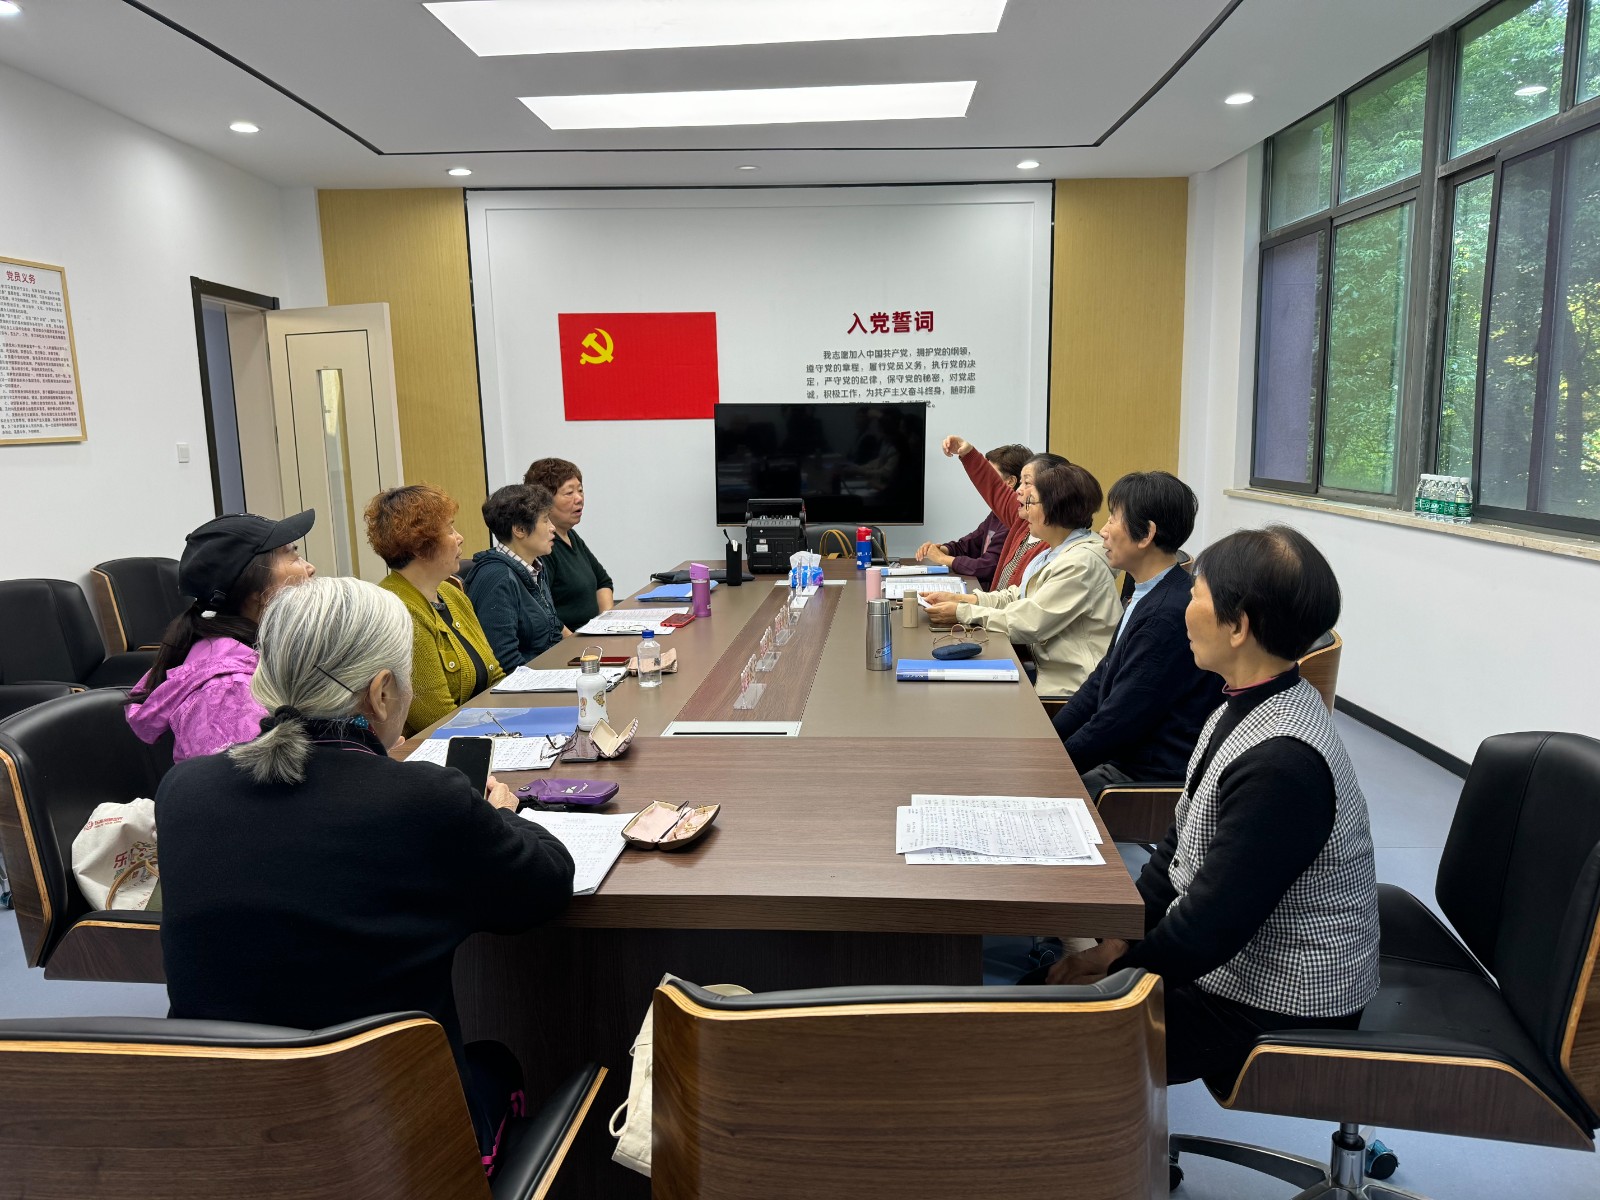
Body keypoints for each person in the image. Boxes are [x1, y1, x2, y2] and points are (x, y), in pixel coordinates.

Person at [156, 575, 574, 1176]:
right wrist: (498, 812)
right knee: (497, 1064)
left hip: (228, 1137)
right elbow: (547, 886)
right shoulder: (425, 800)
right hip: (391, 1149)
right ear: (381, 692)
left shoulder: (183, 792)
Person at [1047, 526, 1379, 1089]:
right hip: (1228, 963)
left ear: (1238, 625)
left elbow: (1208, 929)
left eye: (1195, 596)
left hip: (1275, 1002)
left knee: (1035, 1033)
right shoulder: (1245, 701)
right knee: (1040, 994)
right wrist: (1114, 945)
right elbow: (1175, 855)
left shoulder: (1282, 763)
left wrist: (1117, 976)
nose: (1184, 610)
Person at [1051, 472, 1221, 797]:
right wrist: (1047, 741)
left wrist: (1050, 767)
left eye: (1113, 518)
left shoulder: (1166, 615)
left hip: (1141, 779)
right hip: (1123, 758)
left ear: (1146, 534)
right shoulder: (1148, 591)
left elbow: (1118, 721)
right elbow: (1100, 681)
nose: (1103, 530)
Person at [126, 510, 316, 762]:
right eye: (292, 556)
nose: (310, 568)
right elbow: (241, 783)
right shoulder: (226, 692)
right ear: (255, 589)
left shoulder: (261, 648)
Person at [921, 461, 1120, 698]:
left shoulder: (1081, 563)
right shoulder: (1054, 552)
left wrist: (962, 612)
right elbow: (1018, 595)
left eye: (1031, 502)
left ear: (1054, 508)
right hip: (1046, 669)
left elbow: (1030, 622)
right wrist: (963, 599)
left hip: (1071, 688)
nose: (1025, 509)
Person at [365, 484, 504, 736]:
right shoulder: (398, 612)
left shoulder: (451, 593)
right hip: (439, 746)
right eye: (450, 529)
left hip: (483, 732)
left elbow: (495, 677)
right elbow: (438, 720)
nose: (459, 537)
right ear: (419, 546)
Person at [463, 483, 567, 673]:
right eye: (545, 520)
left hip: (549, 673)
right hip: (526, 685)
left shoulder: (534, 568)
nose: (553, 528)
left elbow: (552, 634)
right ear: (519, 529)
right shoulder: (498, 578)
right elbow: (505, 662)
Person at [938, 436, 1060, 591]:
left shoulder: (1063, 550)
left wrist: (944, 559)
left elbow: (996, 489)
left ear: (1051, 493)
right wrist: (968, 453)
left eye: (1027, 483)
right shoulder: (1023, 520)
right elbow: (995, 489)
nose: (1019, 490)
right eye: (1021, 482)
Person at [915, 443, 1032, 589]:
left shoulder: (1014, 520)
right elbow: (970, 544)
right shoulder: (995, 515)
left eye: (990, 473)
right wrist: (944, 549)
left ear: (1010, 481)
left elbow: (989, 566)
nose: (984, 478)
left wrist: (944, 559)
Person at [524, 457, 613, 631]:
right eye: (569, 493)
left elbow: (603, 582)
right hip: (567, 640)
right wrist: (573, 641)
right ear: (544, 502)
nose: (579, 498)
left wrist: (605, 623)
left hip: (592, 633)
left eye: (580, 490)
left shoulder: (570, 535)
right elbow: (544, 612)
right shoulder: (542, 547)